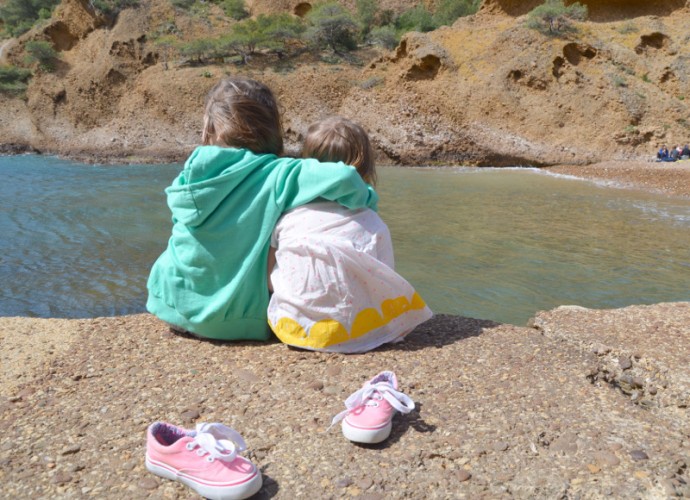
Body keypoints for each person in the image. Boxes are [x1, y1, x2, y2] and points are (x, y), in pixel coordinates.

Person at [146, 78, 378, 341]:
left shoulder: (191, 175)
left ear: (209, 129)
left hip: (172, 304)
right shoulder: (280, 173)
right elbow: (345, 178)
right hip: (236, 319)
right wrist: (368, 201)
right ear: (271, 127)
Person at [267, 117, 433, 353]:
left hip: (294, 329)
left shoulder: (287, 219)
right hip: (358, 333)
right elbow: (385, 282)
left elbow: (269, 278)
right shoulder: (373, 223)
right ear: (364, 171)